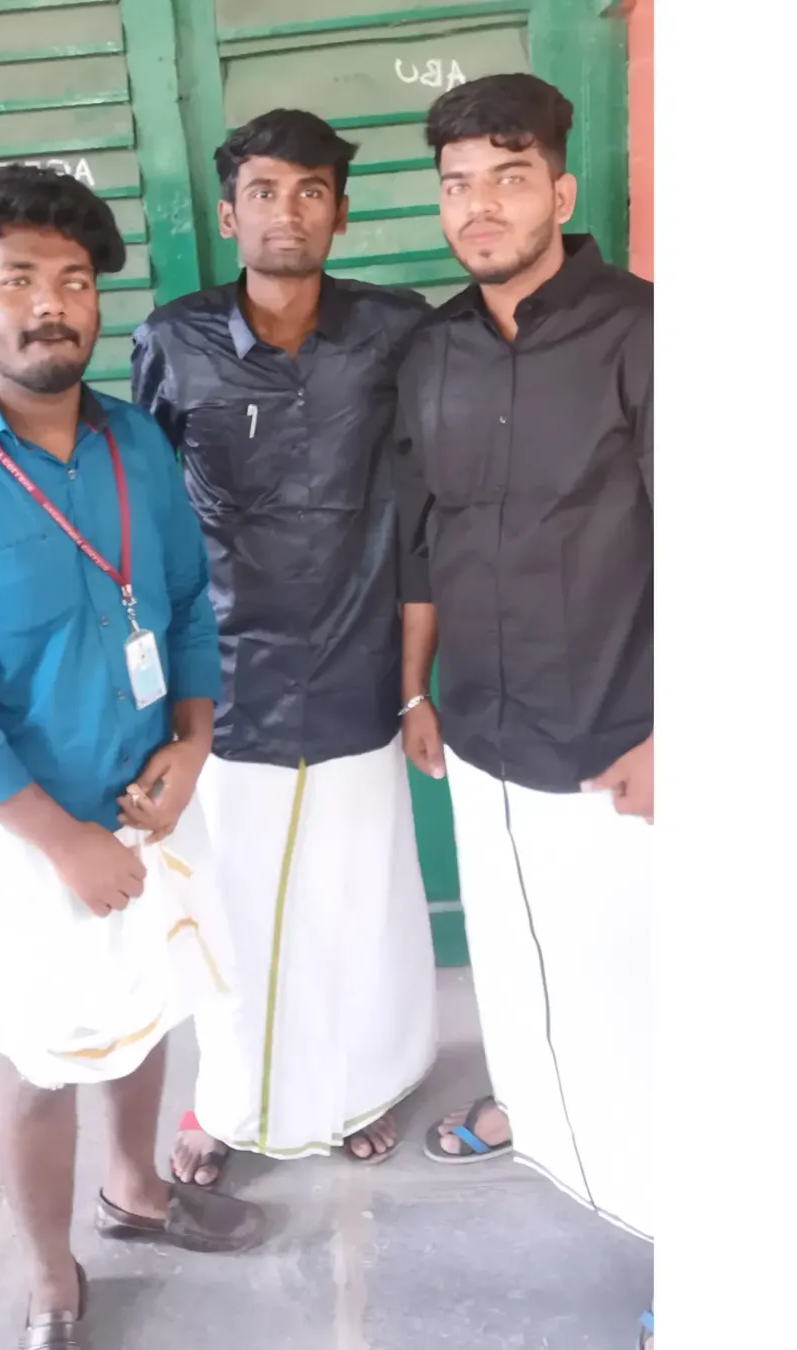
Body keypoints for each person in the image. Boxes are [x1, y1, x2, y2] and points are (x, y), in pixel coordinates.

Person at [0, 164, 263, 1350]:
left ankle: (136, 1192)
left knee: (147, 1011)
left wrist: (193, 740)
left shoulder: (135, 442)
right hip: (20, 832)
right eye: (19, 280)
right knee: (38, 1061)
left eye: (75, 281)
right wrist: (62, 841)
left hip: (150, 797)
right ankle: (48, 1278)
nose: (51, 304)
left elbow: (184, 607)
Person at [132, 109, 439, 1186]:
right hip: (224, 680)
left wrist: (415, 685)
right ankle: (224, 1102)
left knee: (357, 899)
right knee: (232, 905)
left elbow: (426, 502)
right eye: (264, 191)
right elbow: (145, 520)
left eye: (311, 191)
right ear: (230, 214)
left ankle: (361, 1087)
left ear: (340, 213)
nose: (287, 212)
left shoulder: (396, 331)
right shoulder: (175, 341)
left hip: (358, 667)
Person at [394, 71, 653, 1326]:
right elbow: (424, 532)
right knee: (515, 950)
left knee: (644, 986)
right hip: (482, 731)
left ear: (560, 188)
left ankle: (679, 1213)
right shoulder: (432, 351)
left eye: (508, 178)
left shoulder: (646, 332)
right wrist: (414, 690)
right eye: (458, 185)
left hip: (619, 741)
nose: (480, 207)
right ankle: (535, 1110)